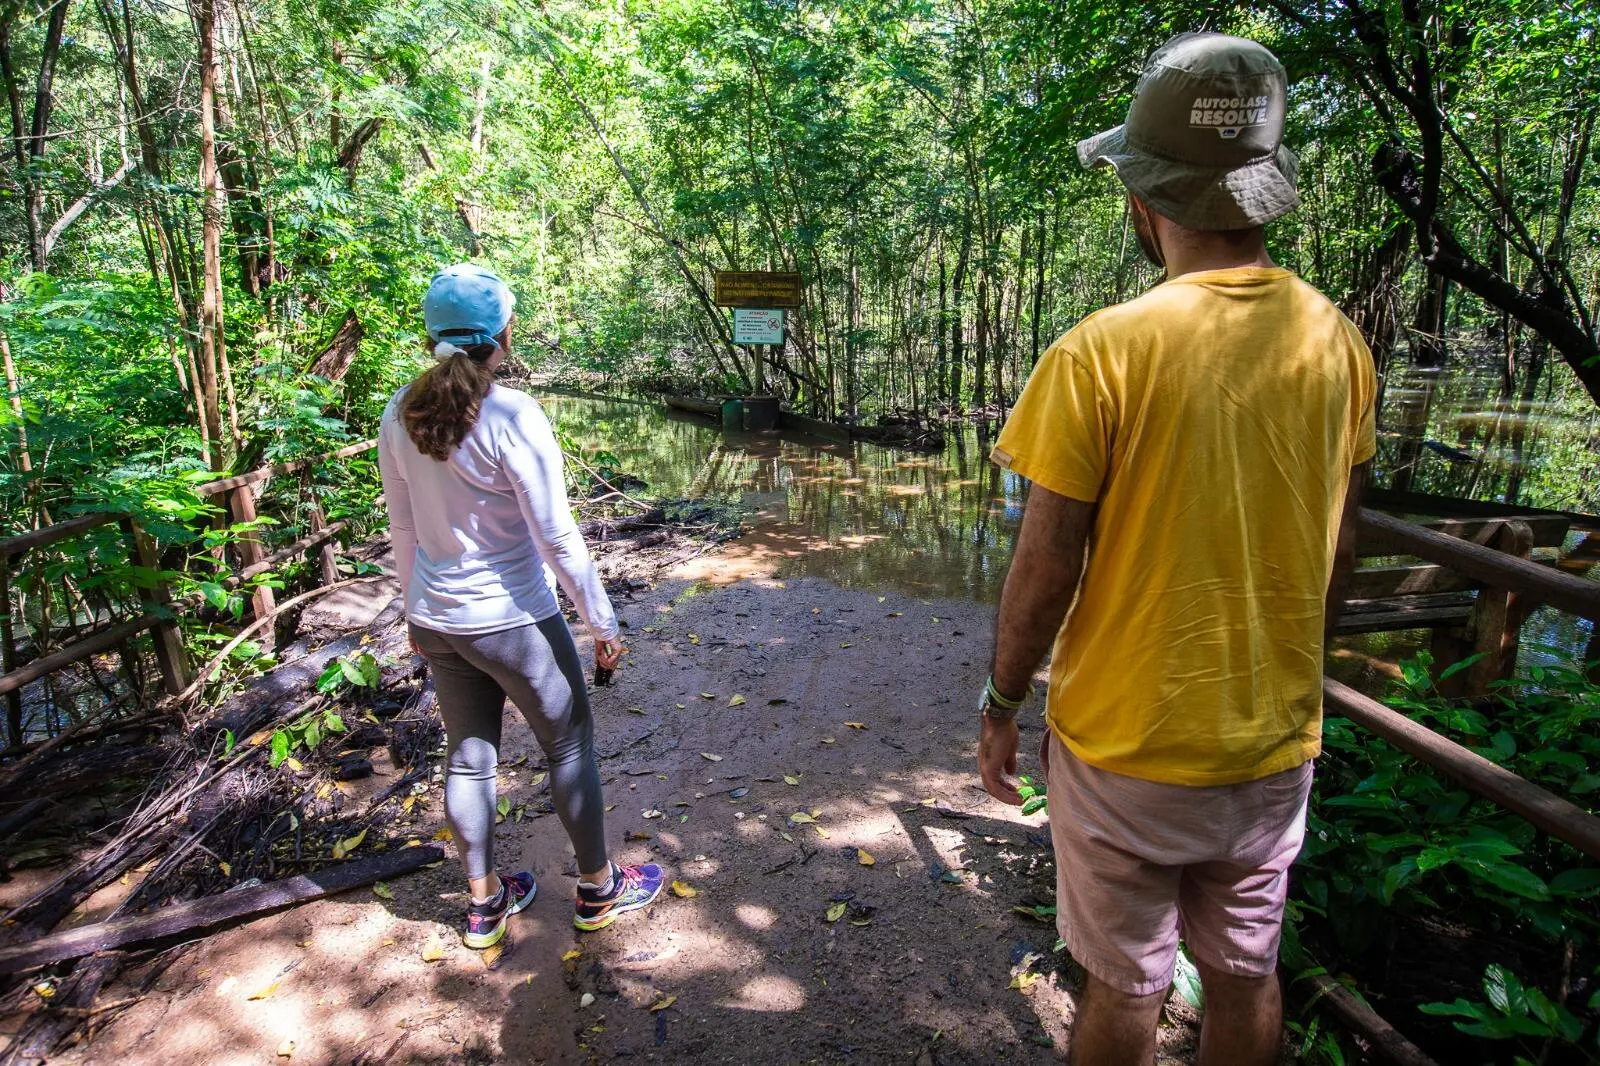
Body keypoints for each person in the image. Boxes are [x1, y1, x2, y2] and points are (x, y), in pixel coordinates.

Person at [975, 34, 1375, 1066]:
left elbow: (1045, 564)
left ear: (1142, 201)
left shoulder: (1102, 350)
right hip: (1270, 742)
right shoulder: (1334, 339)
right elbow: (1337, 538)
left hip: (1127, 745)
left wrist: (1002, 699)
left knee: (1123, 986)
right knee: (1245, 973)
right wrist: (1295, 674)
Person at [378, 263, 663, 949]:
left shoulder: (398, 411)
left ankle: (483, 905)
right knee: (569, 747)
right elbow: (556, 536)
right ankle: (598, 890)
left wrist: (412, 613)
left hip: (440, 620)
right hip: (513, 622)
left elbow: (403, 529)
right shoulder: (513, 413)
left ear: (433, 334)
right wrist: (601, 623)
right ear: (503, 333)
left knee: (468, 758)